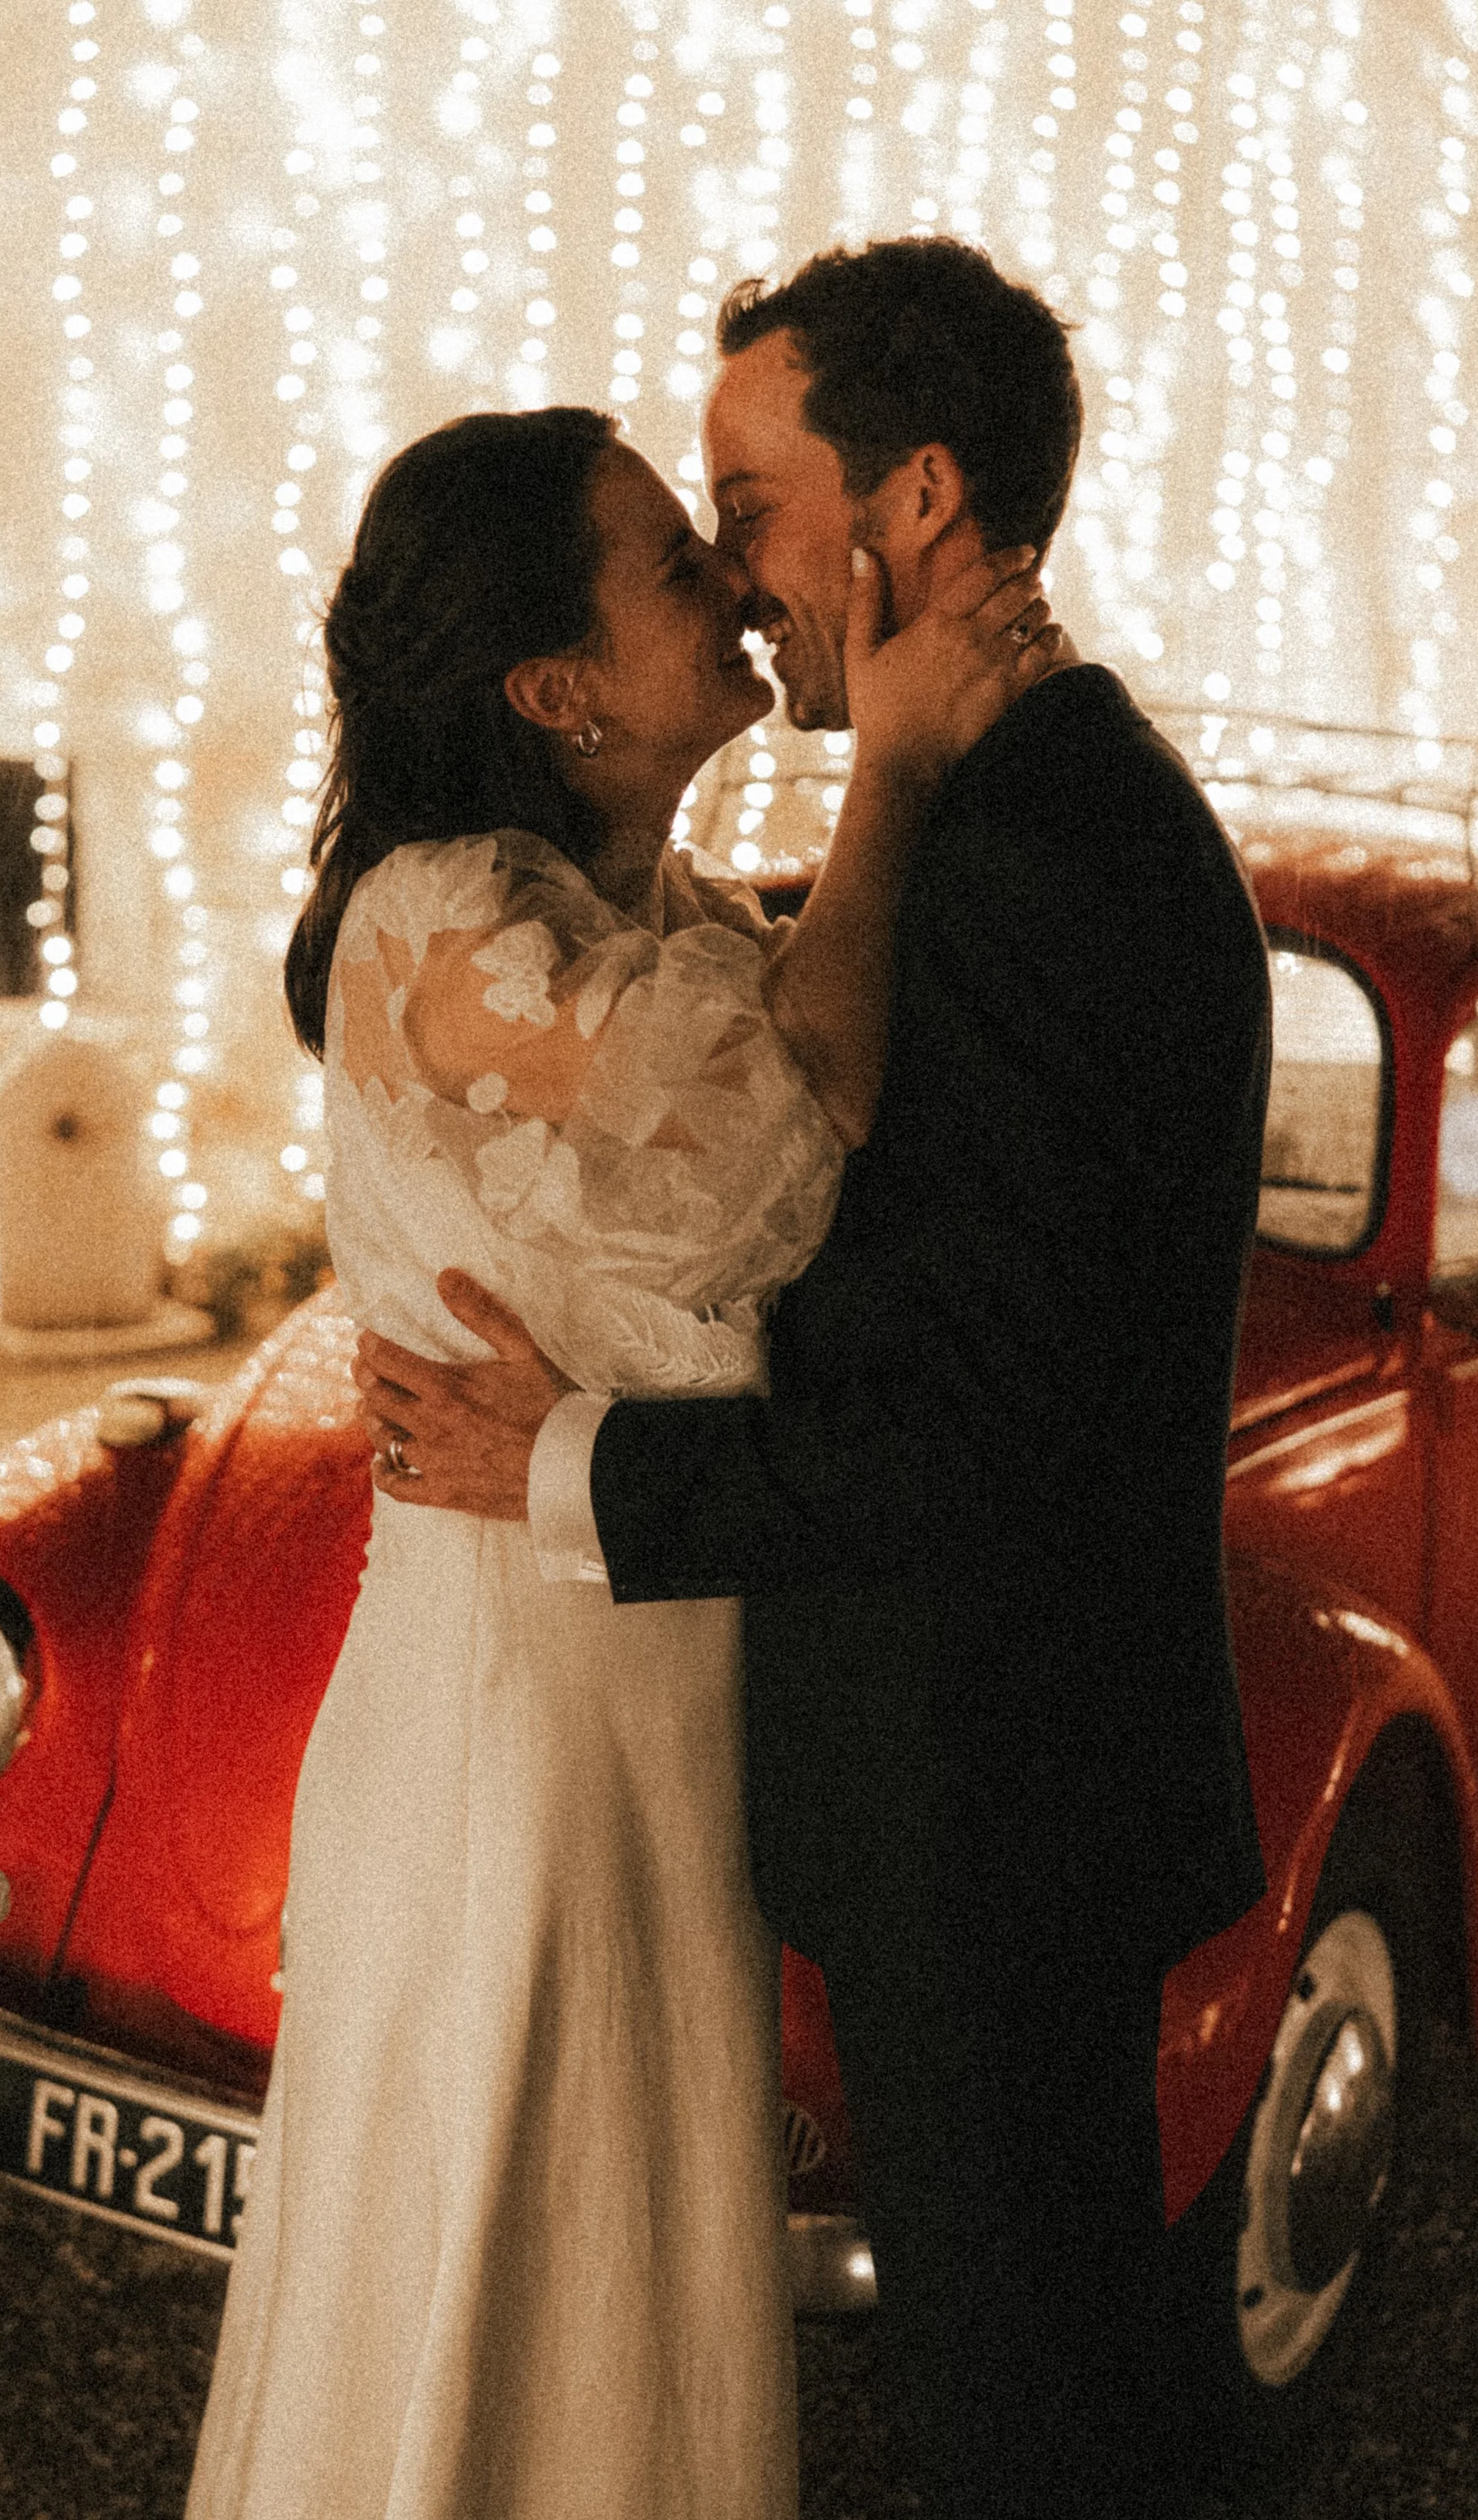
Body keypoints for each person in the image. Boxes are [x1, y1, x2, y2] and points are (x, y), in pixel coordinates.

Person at [356, 238, 1275, 2520]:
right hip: (933, 1784)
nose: (743, 581)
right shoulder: (963, 817)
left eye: (751, 508)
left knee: (1029, 2422)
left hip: (994, 1800)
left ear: (920, 502)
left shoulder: (1041, 854)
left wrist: (568, 1459)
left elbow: (978, 1423)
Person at [185, 397, 1059, 2520]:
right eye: (683, 560)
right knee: (489, 2243)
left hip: (663, 1700)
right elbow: (777, 1150)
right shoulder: (434, 918)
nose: (737, 581)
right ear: (557, 686)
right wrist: (899, 773)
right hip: (511, 1724)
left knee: (634, 2284)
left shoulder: (659, 911)